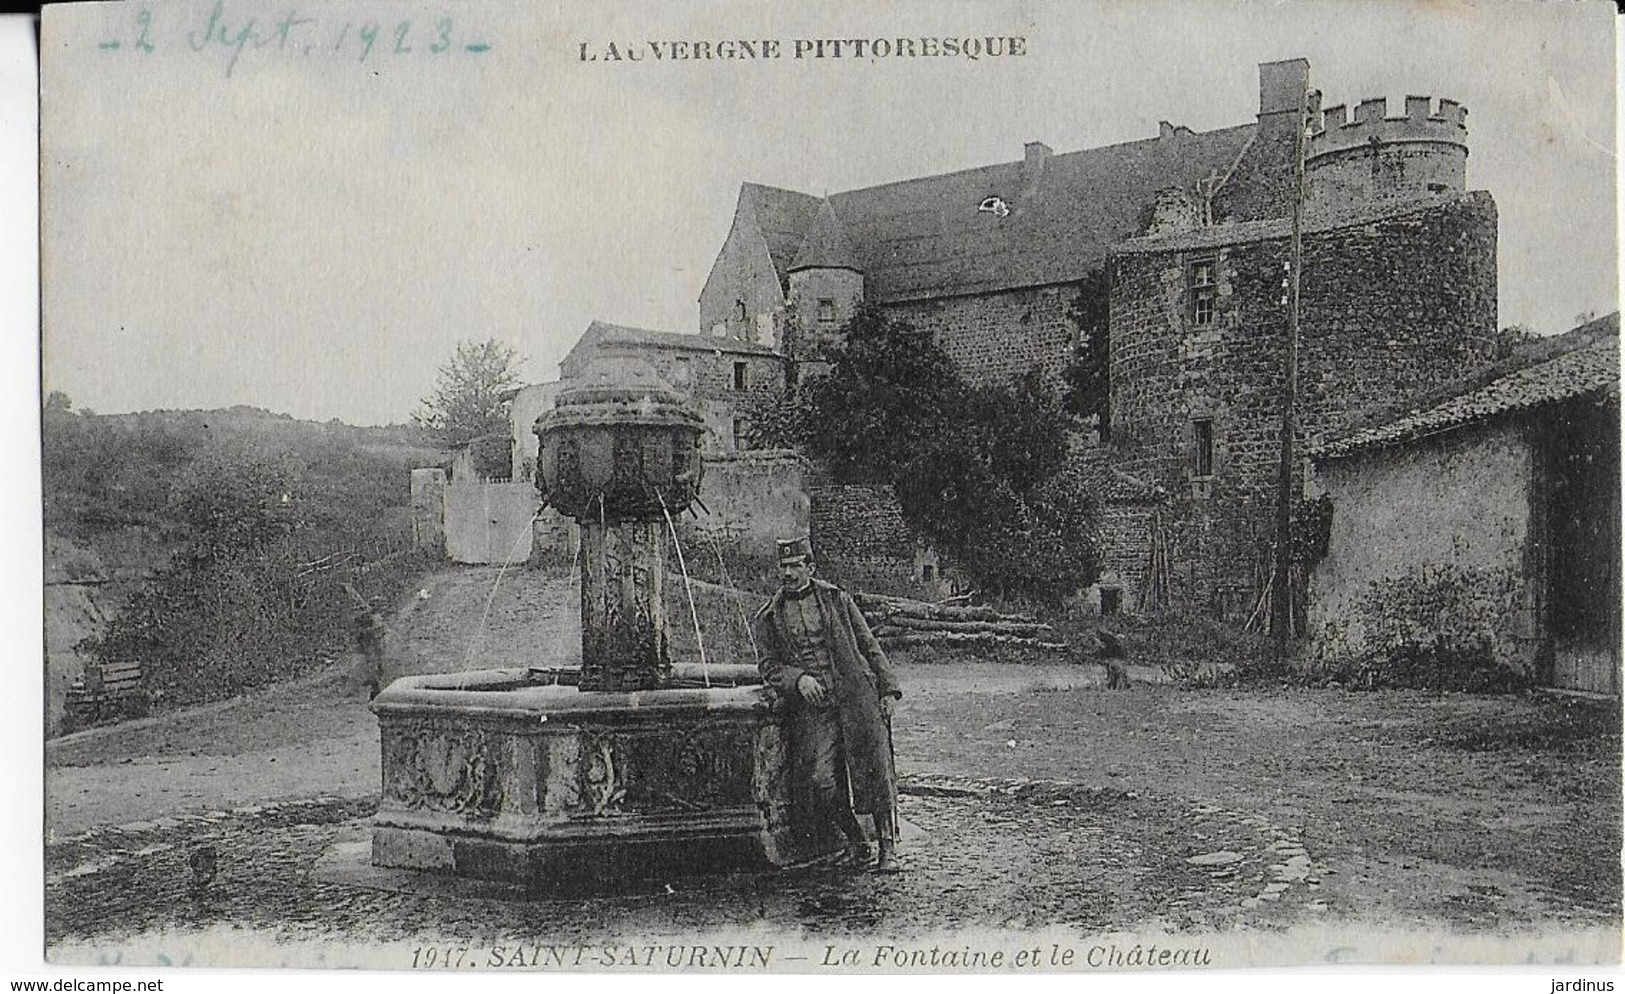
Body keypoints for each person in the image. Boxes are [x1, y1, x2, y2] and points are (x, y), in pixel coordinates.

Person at [753, 536, 903, 874]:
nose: (788, 573)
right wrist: (798, 679)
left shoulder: (836, 600)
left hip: (857, 698)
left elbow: (868, 643)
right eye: (784, 566)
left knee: (875, 771)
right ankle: (858, 843)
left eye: (796, 566)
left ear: (811, 567)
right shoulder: (770, 616)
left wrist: (888, 690)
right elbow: (768, 665)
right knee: (821, 780)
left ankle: (888, 847)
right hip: (816, 708)